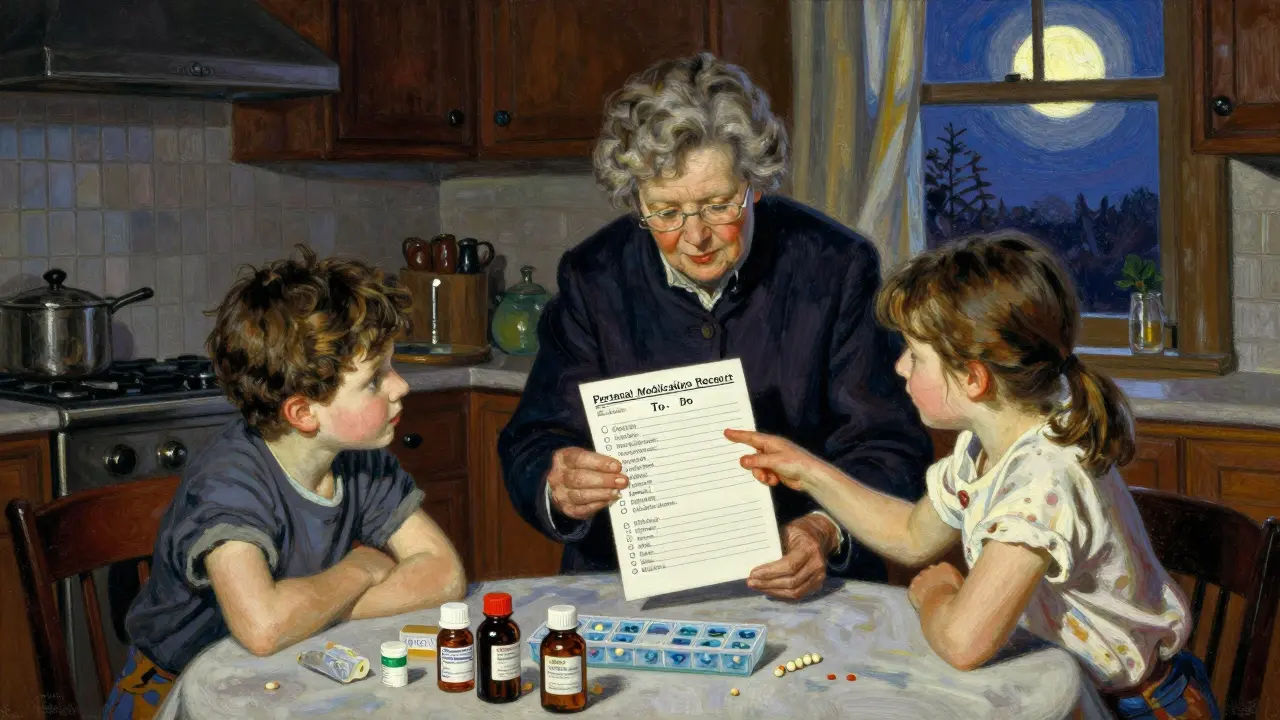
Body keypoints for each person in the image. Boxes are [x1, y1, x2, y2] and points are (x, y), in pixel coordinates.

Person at [727, 232, 1220, 719]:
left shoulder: (1043, 480)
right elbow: (910, 535)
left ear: (973, 378)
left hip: (1139, 708)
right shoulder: (987, 444)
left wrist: (937, 592)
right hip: (1073, 685)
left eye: (915, 355)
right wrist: (809, 471)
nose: (899, 367)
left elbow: (963, 643)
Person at [498, 52, 933, 600]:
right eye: (665, 212)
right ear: (636, 199)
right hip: (629, 584)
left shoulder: (836, 266)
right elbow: (534, 439)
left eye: (718, 205)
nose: (695, 236)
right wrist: (557, 481)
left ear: (754, 184)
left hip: (795, 585)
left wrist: (822, 530)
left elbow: (889, 445)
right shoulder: (593, 274)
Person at [102, 246, 467, 719]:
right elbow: (264, 626)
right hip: (174, 695)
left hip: (284, 675)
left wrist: (314, 609)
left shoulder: (361, 462)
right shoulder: (230, 483)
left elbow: (443, 573)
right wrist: (359, 569)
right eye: (375, 380)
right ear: (303, 412)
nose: (402, 386)